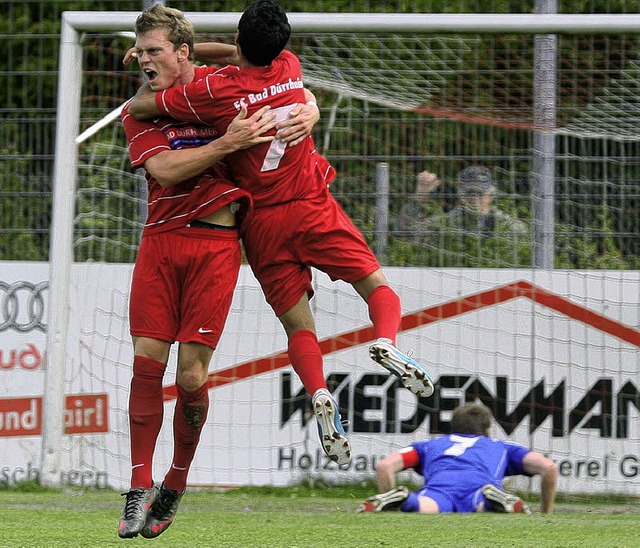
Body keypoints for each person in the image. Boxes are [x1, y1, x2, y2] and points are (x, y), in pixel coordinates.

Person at [128, 0, 435, 469]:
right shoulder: (291, 68)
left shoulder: (216, 90)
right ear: (281, 46)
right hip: (312, 204)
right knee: (375, 284)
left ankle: (318, 391)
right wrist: (308, 105)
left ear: (237, 41)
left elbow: (144, 104)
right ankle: (388, 341)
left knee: (298, 326)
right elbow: (242, 58)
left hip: (262, 225)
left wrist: (160, 69)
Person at [117, 4, 317, 539]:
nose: (143, 61)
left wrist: (310, 105)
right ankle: (139, 486)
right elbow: (164, 168)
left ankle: (175, 483)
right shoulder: (139, 111)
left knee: (190, 378)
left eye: (153, 51)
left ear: (182, 52)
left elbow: (257, 64)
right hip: (160, 243)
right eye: (139, 52)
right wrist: (227, 142)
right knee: (144, 367)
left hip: (217, 246)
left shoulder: (216, 88)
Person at [356, 402, 558, 514]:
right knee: (481, 504)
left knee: (425, 506)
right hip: (479, 487)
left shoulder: (430, 445)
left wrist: (389, 517)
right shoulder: (501, 446)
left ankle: (404, 499)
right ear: (487, 430)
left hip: (440, 488)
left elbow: (384, 466)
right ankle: (491, 500)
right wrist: (546, 515)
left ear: (453, 428)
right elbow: (548, 468)